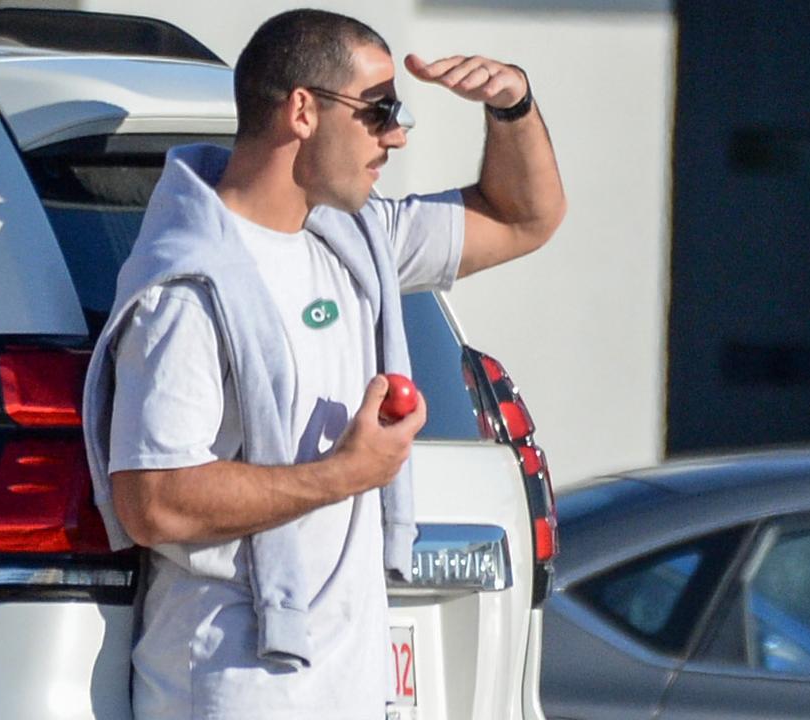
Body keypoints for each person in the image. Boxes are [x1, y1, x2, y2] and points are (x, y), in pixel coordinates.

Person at [81, 8, 565, 719]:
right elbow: (152, 501)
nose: (396, 135)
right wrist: (344, 475)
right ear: (302, 110)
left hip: (347, 684)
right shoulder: (187, 292)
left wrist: (512, 105)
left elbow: (526, 217)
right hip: (238, 684)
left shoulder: (355, 239)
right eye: (379, 110)